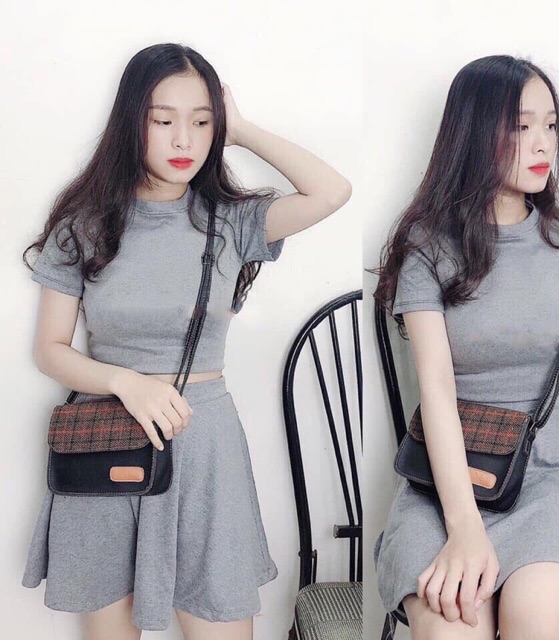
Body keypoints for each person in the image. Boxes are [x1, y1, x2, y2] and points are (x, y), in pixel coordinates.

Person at [21, 43, 351, 640]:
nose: (184, 140)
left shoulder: (232, 222)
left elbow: (332, 191)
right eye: (163, 119)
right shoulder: (85, 225)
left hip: (205, 447)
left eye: (201, 122)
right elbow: (49, 350)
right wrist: (126, 383)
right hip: (105, 444)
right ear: (133, 122)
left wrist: (241, 130)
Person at [371, 54, 559, 639]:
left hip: (553, 472)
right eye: (521, 126)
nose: (543, 142)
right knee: (453, 627)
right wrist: (464, 526)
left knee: (535, 621)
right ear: (474, 132)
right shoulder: (428, 247)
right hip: (447, 476)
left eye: (551, 125)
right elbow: (436, 392)